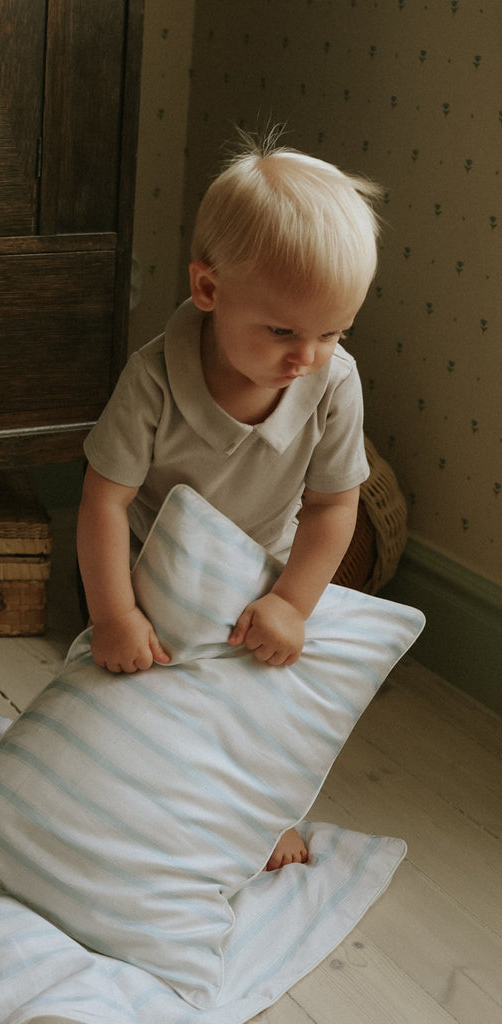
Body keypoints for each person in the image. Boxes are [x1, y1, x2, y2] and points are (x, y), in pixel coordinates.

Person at [76, 132, 382, 871]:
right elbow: (103, 503)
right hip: (154, 574)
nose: (305, 357)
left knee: (267, 712)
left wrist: (292, 602)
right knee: (126, 705)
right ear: (210, 291)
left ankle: (262, 815)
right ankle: (118, 804)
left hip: (262, 572)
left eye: (333, 332)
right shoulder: (152, 379)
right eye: (283, 331)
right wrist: (115, 616)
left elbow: (335, 506)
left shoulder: (332, 381)